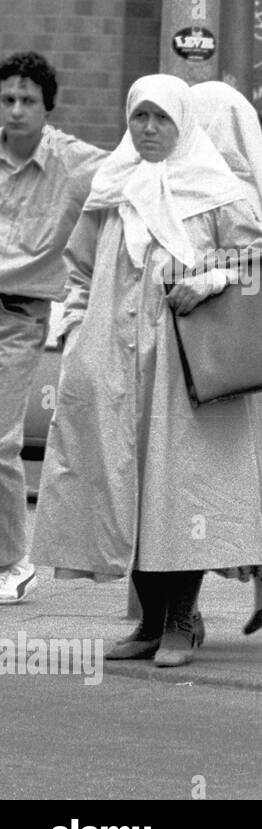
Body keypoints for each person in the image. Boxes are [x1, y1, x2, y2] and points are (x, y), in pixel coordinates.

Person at [30, 74, 262, 667]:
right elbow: (81, 270)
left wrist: (211, 278)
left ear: (182, 122)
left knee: (178, 487)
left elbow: (255, 257)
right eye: (140, 117)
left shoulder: (215, 187)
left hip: (185, 364)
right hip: (112, 360)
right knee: (124, 484)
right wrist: (76, 326)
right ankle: (148, 622)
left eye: (162, 118)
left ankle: (182, 622)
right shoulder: (113, 185)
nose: (149, 129)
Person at [190, 79, 262, 636]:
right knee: (250, 460)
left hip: (213, 347)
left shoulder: (219, 181)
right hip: (232, 351)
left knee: (228, 467)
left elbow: (246, 260)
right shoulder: (240, 176)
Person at [0, 51, 106, 605]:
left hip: (17, 317)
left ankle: (13, 563)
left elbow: (132, 176)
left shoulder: (73, 162)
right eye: (7, 100)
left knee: (0, 441)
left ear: (47, 109)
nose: (15, 110)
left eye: (27, 101)